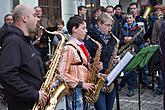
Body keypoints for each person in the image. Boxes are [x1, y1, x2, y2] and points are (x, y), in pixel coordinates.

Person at [0, 4, 48, 110]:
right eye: (34, 15)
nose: (37, 19)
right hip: (24, 105)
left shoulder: (25, 40)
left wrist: (45, 65)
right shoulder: (13, 41)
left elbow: (27, 68)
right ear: (25, 18)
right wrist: (34, 94)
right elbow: (7, 75)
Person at [57, 16, 94, 110]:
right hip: (76, 92)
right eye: (83, 28)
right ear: (74, 29)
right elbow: (61, 73)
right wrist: (81, 84)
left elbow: (82, 66)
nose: (86, 31)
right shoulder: (69, 48)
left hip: (83, 91)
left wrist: (94, 67)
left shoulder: (81, 45)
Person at [85, 12, 117, 110]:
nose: (110, 28)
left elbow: (113, 54)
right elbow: (86, 60)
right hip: (97, 79)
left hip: (110, 79)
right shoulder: (90, 39)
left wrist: (117, 58)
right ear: (99, 23)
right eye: (107, 25)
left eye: (111, 26)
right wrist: (94, 63)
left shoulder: (113, 39)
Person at [118, 12, 144, 96]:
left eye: (130, 18)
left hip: (134, 51)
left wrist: (132, 39)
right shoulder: (122, 29)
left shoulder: (138, 29)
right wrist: (124, 40)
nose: (129, 19)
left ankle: (130, 88)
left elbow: (140, 41)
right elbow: (119, 41)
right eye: (127, 18)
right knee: (126, 70)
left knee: (131, 70)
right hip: (124, 51)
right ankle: (122, 85)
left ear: (134, 19)